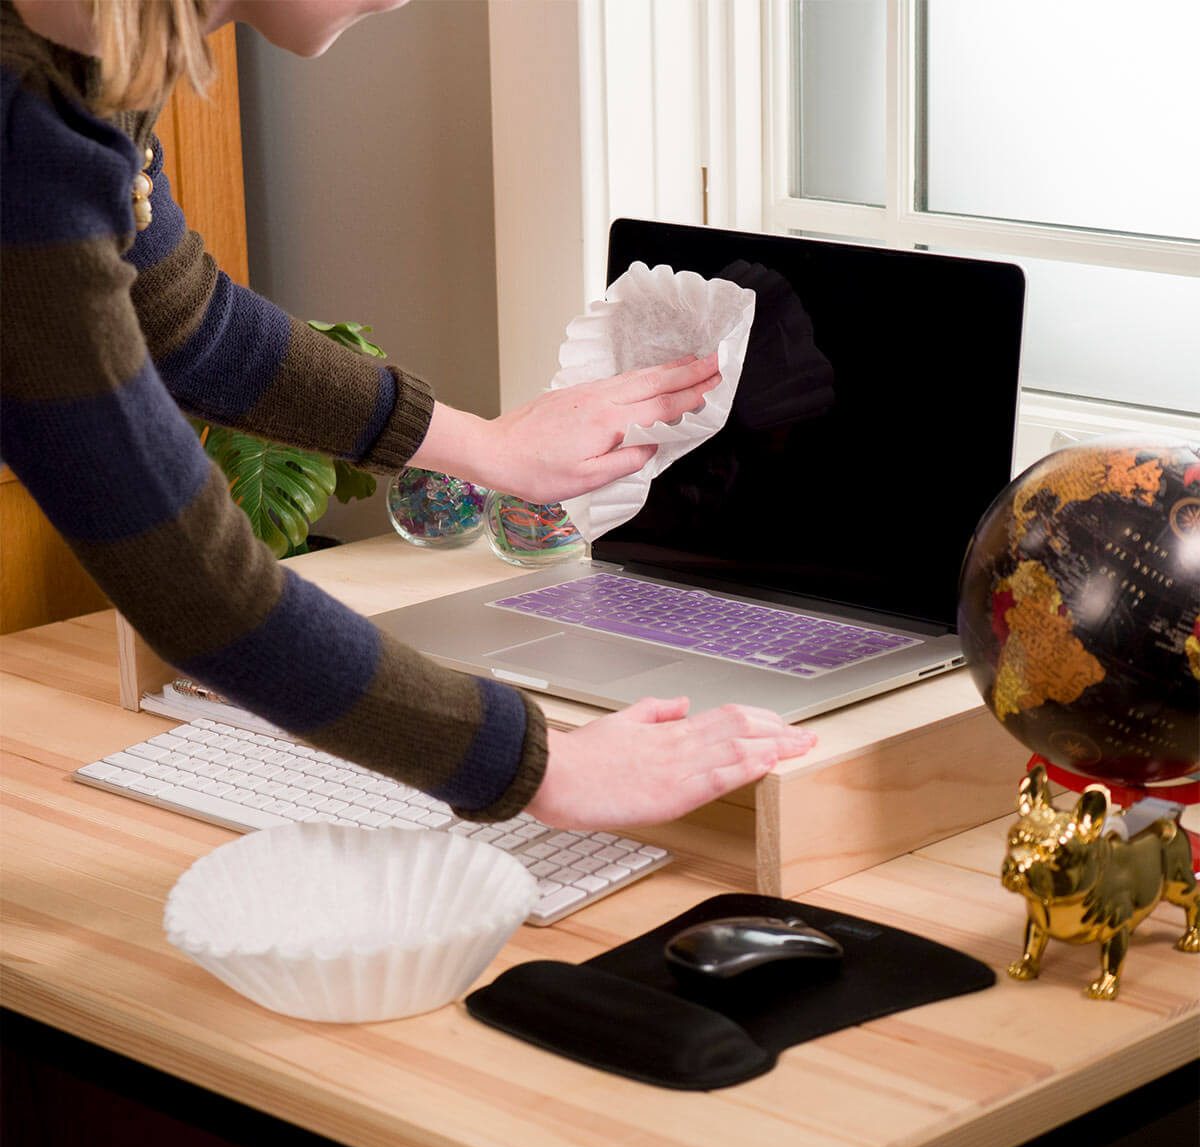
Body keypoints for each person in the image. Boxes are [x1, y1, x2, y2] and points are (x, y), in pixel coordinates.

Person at [1, 0, 817, 831]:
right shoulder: (22, 144)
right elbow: (191, 583)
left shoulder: (86, 63)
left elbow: (185, 320)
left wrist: (490, 447)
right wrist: (542, 765)